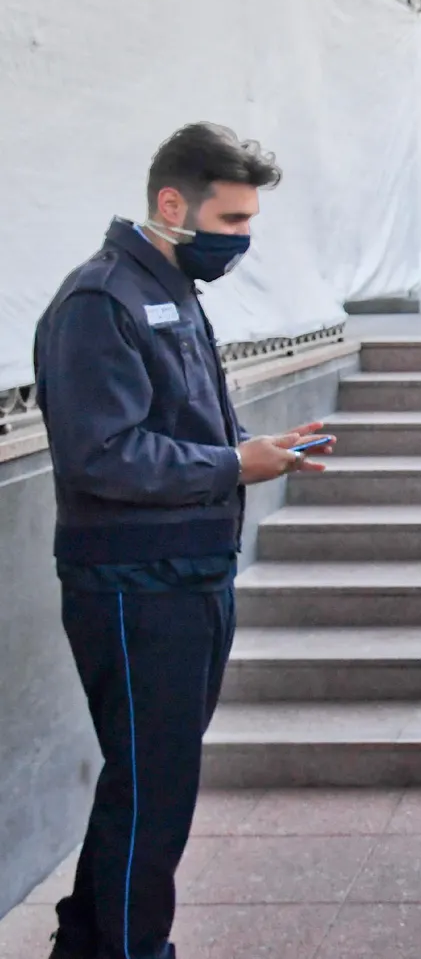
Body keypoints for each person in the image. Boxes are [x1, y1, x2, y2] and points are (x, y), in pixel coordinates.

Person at [34, 123, 328, 959]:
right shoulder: (102, 300)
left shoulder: (164, 289)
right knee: (153, 791)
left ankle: (88, 944)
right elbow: (102, 453)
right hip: (135, 585)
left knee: (146, 783)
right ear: (172, 204)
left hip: (185, 573)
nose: (243, 240)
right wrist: (237, 462)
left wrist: (258, 448)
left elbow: (171, 426)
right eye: (233, 220)